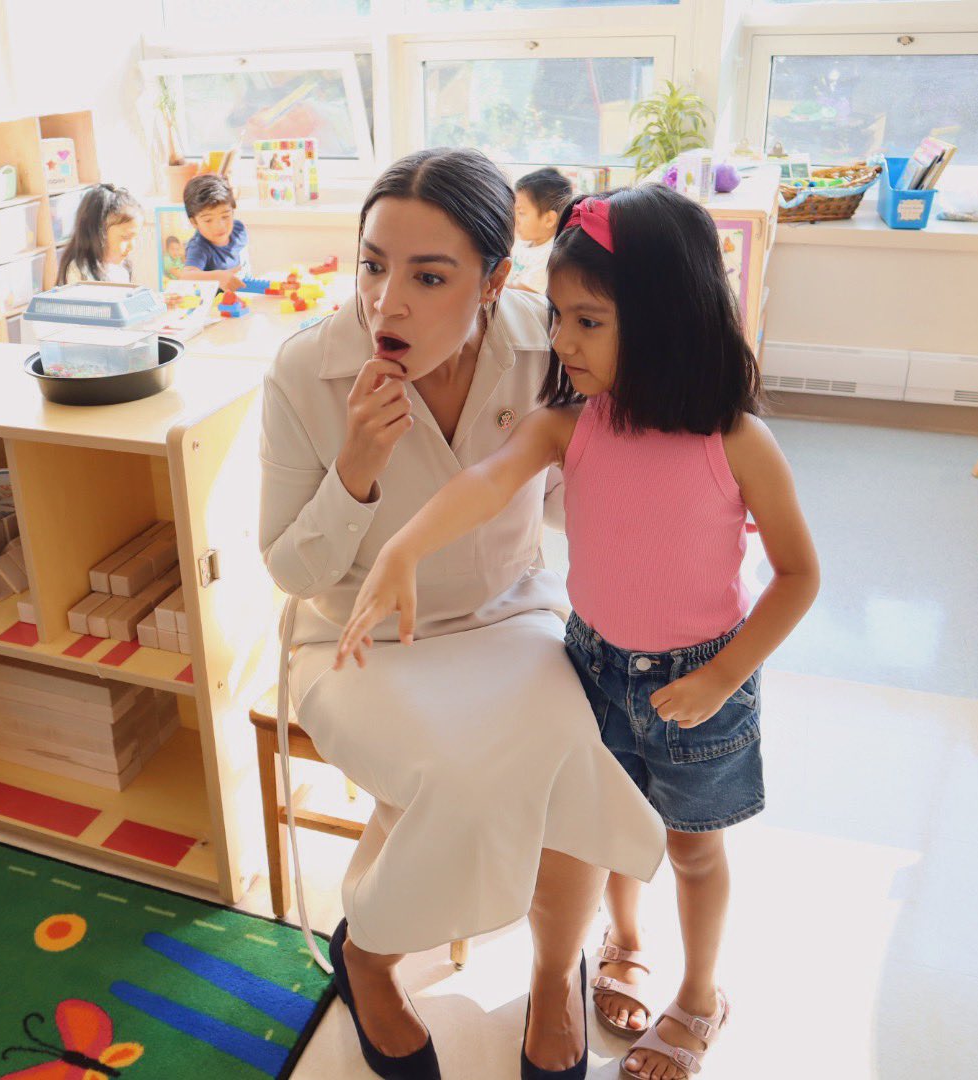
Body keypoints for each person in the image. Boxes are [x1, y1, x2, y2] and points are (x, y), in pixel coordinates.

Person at [336, 183, 820, 1079]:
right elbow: (485, 482)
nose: (560, 341)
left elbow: (799, 577)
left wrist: (721, 678)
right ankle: (622, 944)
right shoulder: (570, 425)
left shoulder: (737, 441)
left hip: (704, 679)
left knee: (694, 850)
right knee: (606, 831)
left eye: (587, 322)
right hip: (594, 667)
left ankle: (699, 995)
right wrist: (402, 546)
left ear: (665, 320)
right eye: (558, 317)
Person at [261, 148, 666, 1080]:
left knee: (575, 753)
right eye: (372, 265)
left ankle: (554, 979)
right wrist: (355, 471)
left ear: (494, 280)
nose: (386, 303)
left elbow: (573, 499)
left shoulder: (549, 346)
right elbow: (289, 570)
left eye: (429, 276)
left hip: (509, 614)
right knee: (460, 776)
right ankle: (370, 956)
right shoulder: (307, 370)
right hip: (357, 637)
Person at [55, 183, 141, 285]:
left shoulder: (121, 268)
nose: (132, 246)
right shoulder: (79, 272)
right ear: (98, 234)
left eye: (135, 237)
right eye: (125, 237)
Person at [175, 174, 249, 290]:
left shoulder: (239, 229)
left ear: (232, 211)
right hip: (216, 301)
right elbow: (186, 276)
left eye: (225, 216)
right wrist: (218, 277)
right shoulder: (199, 247)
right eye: (208, 220)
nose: (219, 226)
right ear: (194, 222)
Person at [510, 167, 573, 295]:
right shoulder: (524, 242)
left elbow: (521, 292)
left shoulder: (550, 256)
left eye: (521, 212)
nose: (515, 218)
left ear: (549, 219)